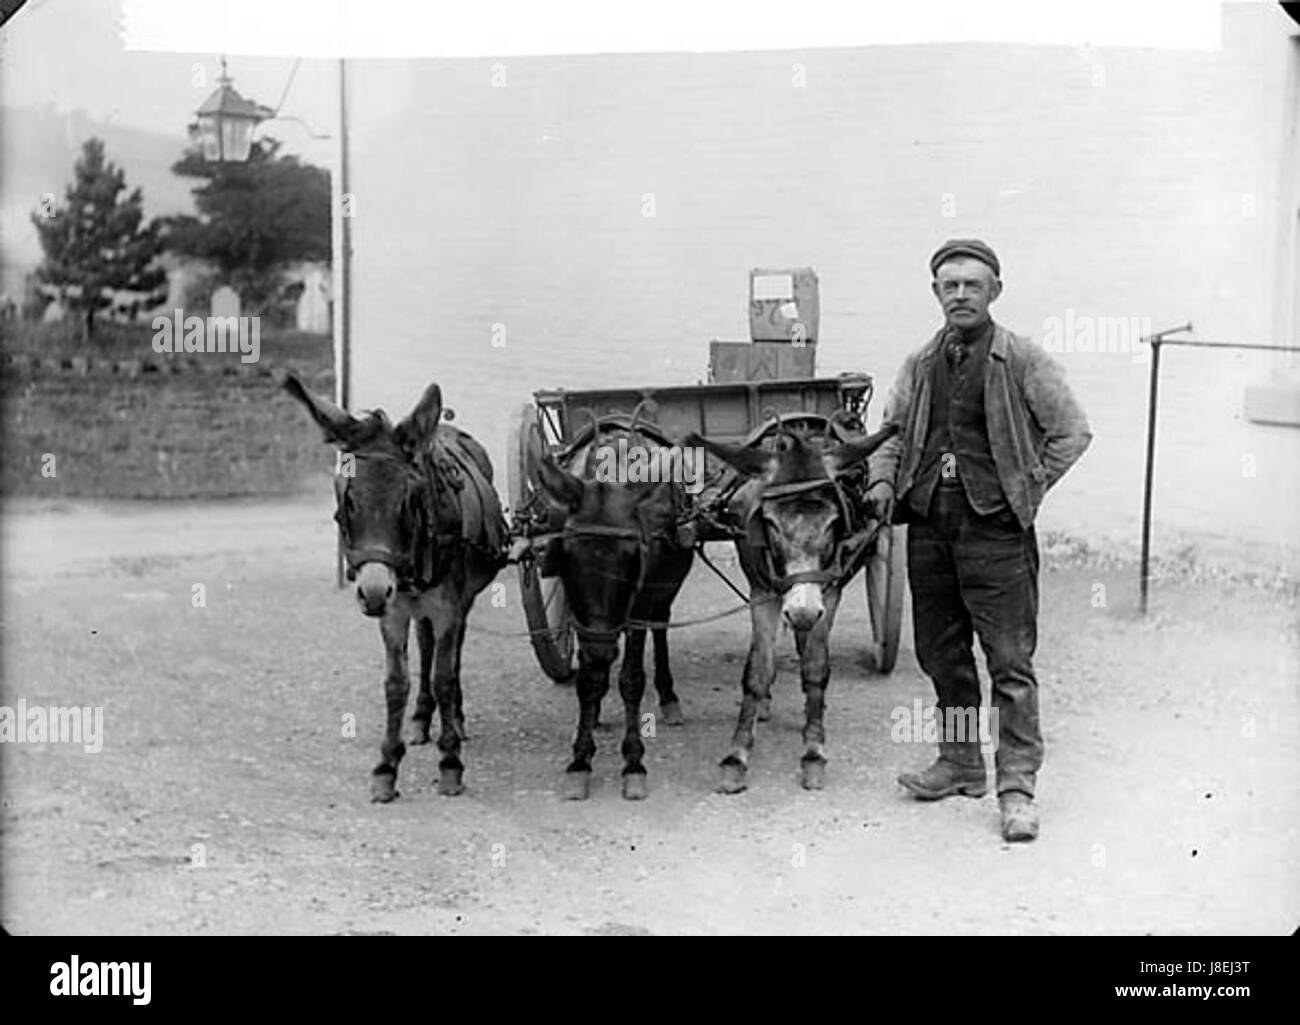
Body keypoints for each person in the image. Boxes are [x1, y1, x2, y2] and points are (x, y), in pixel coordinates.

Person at [865, 239, 1091, 842]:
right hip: (932, 529)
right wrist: (885, 482)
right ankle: (961, 762)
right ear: (936, 292)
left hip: (996, 532)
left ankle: (1016, 788)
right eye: (949, 285)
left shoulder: (1021, 360)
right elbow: (889, 433)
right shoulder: (919, 363)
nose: (960, 294)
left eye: (972, 284)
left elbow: (1071, 431)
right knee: (941, 654)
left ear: (995, 290)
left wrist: (1025, 488)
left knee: (1010, 664)